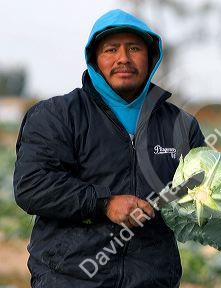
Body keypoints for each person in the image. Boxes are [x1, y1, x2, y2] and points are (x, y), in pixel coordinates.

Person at [13, 9, 206, 288]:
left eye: (134, 48)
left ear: (151, 58)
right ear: (94, 59)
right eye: (111, 49)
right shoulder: (56, 115)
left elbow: (200, 188)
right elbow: (32, 186)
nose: (123, 58)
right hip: (70, 277)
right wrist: (103, 203)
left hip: (153, 278)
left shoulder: (180, 124)